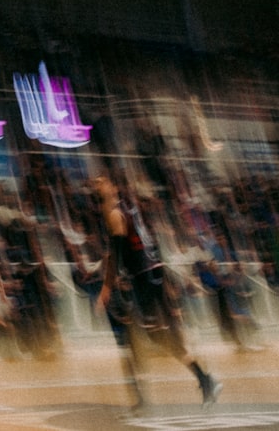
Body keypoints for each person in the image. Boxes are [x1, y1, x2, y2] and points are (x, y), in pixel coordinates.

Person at [94, 174, 222, 410]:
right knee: (150, 337)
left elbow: (115, 255)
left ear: (112, 186)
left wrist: (107, 287)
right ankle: (203, 379)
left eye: (102, 181)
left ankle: (201, 379)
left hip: (145, 280)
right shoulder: (126, 209)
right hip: (150, 276)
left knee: (145, 337)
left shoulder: (115, 214)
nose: (96, 183)